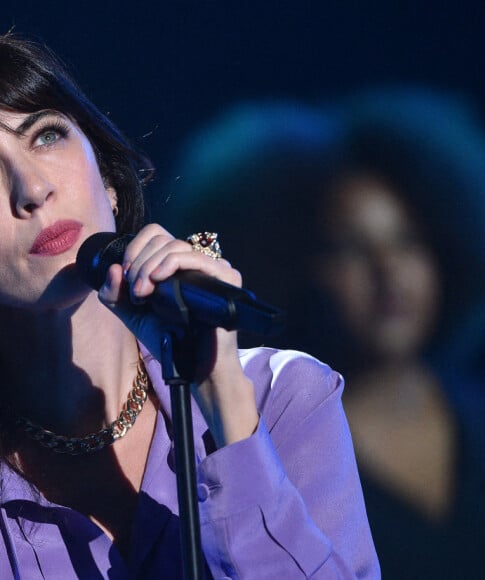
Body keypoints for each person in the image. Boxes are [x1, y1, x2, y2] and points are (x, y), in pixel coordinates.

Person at [0, 33, 380, 579]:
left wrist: (222, 396)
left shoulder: (285, 399)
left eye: (46, 135)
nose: (31, 188)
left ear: (107, 179)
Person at [162, 89, 485, 579]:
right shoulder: (266, 443)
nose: (390, 271)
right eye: (351, 248)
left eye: (409, 241)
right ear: (291, 265)